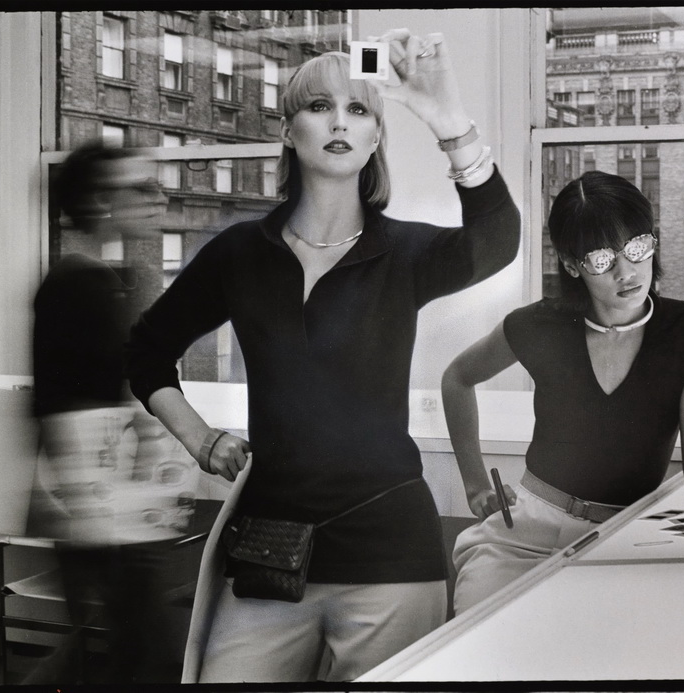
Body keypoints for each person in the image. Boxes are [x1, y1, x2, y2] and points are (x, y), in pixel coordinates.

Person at [125, 29, 520, 683]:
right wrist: (201, 440)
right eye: (319, 106)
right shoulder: (240, 254)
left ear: (373, 140)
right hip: (269, 554)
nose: (340, 120)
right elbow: (146, 351)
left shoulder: (403, 253)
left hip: (393, 557)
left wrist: (448, 119)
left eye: (359, 109)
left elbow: (498, 238)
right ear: (289, 131)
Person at [444, 170, 684, 614]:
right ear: (572, 265)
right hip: (524, 536)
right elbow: (458, 377)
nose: (626, 271)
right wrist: (476, 486)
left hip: (624, 538)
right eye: (600, 259)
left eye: (636, 248)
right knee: (479, 659)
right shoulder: (539, 325)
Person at [30, 140, 184, 684]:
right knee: (141, 656)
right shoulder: (77, 288)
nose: (157, 199)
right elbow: (64, 402)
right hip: (108, 507)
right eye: (140, 189)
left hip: (114, 505)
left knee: (121, 651)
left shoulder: (103, 282)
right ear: (99, 204)